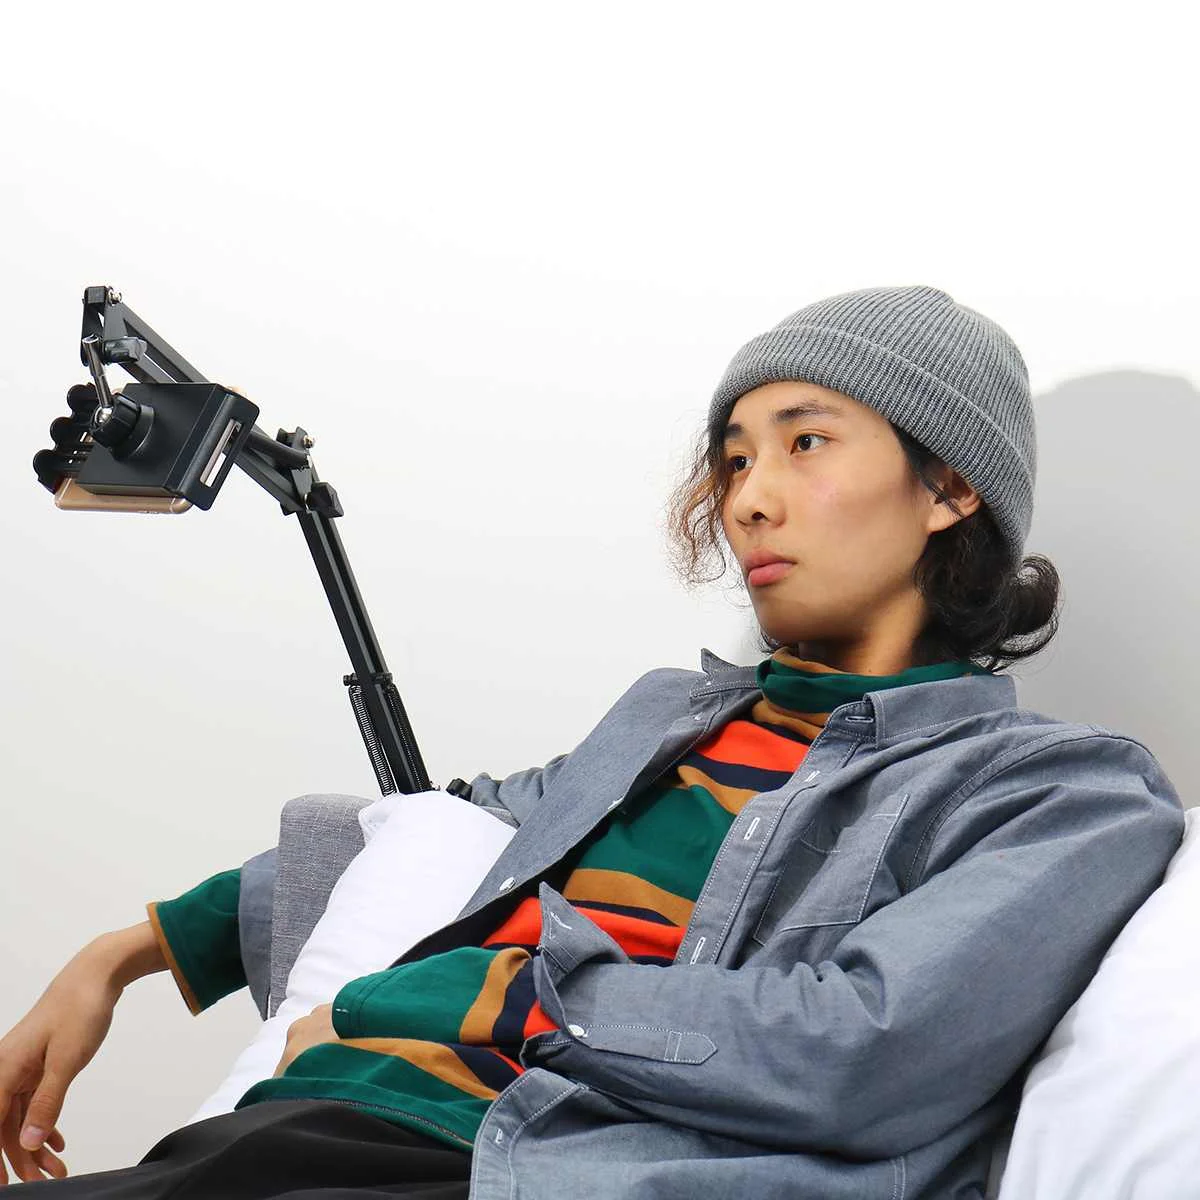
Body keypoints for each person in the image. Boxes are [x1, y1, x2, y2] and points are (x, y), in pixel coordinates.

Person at [0, 285, 1185, 1198]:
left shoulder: (1057, 792)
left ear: (949, 489)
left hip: (510, 1166)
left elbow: (866, 1050)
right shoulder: (668, 719)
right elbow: (468, 817)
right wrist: (131, 951)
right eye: (735, 458)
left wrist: (497, 996)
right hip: (293, 1129)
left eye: (806, 443)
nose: (748, 498)